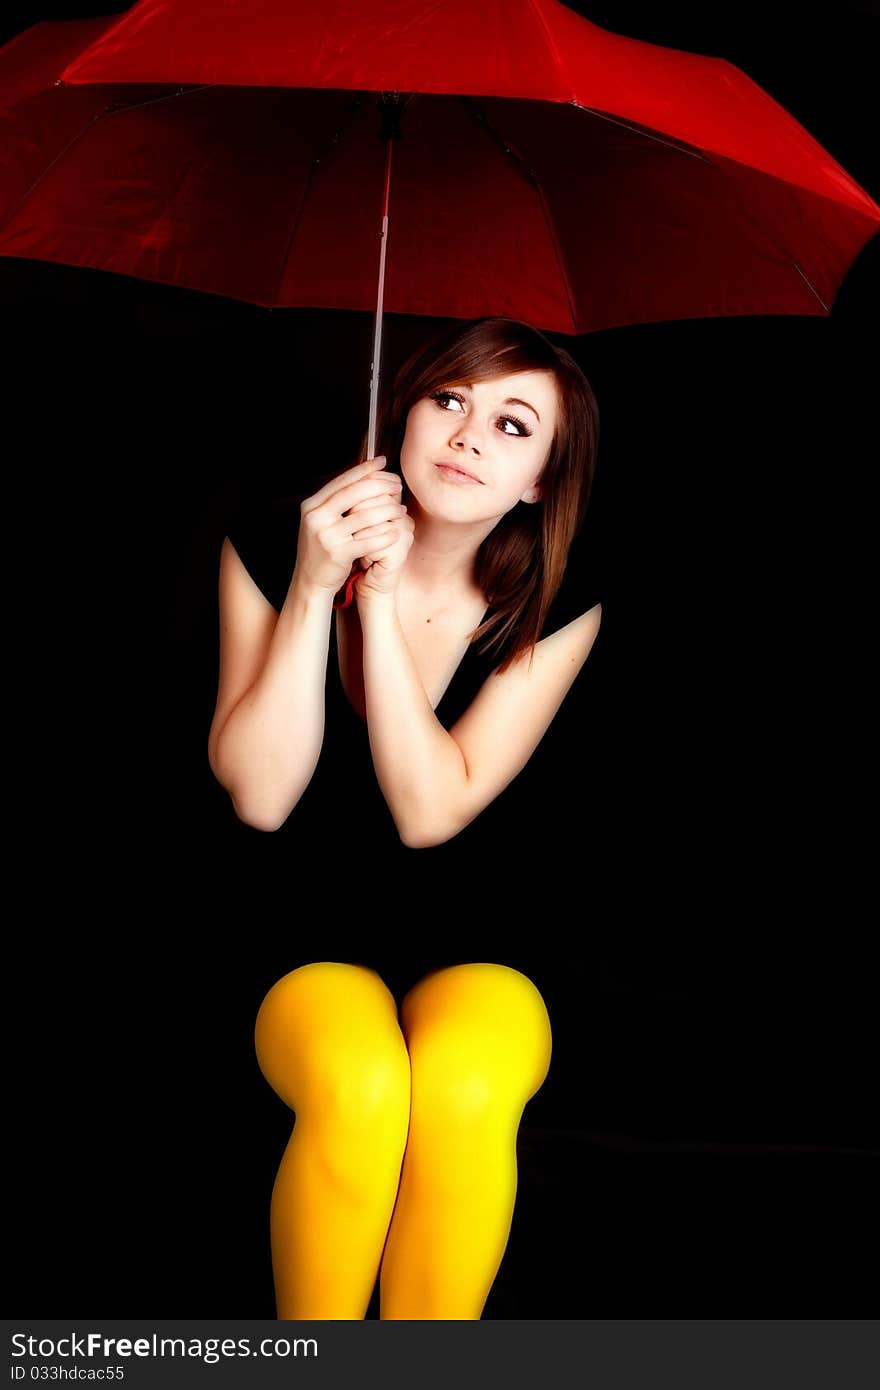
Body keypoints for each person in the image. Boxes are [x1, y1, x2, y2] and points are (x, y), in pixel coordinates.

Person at [207, 317, 605, 1318]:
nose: (470, 434)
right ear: (403, 417)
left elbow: (428, 813)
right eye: (450, 401)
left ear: (539, 485)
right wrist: (314, 589)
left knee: (463, 1086)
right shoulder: (269, 543)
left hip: (487, 949)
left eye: (513, 425)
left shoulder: (559, 601)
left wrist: (378, 603)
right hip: (295, 943)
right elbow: (259, 795)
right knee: (361, 1083)